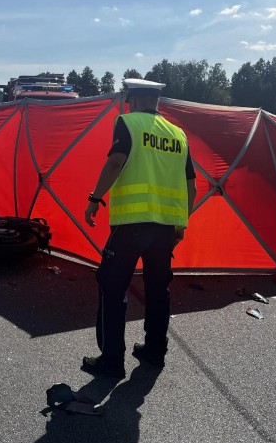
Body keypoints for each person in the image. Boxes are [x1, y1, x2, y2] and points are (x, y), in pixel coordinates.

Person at [81, 78, 197, 379]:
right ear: (156, 102)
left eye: (129, 101)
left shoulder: (128, 123)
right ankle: (154, 351)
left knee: (111, 284)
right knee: (158, 289)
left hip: (131, 225)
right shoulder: (178, 135)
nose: (128, 105)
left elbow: (115, 162)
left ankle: (111, 361)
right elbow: (191, 187)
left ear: (135, 100)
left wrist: (95, 198)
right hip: (164, 230)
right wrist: (180, 224)